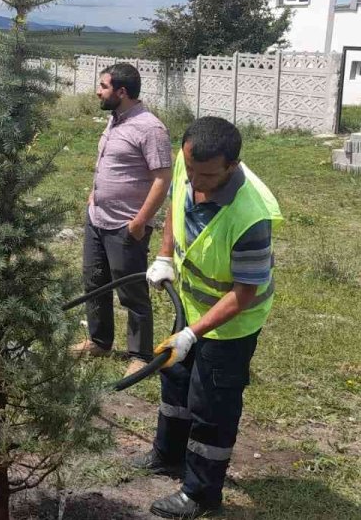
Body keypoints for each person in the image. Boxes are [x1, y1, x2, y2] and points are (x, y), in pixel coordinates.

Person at [137, 116, 282, 519]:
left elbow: (244, 294)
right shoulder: (191, 159)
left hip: (230, 325)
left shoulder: (252, 217)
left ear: (232, 166)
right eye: (192, 171)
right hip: (190, 307)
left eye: (208, 175)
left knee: (211, 405)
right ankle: (167, 456)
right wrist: (165, 255)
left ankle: (200, 494)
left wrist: (192, 335)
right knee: (176, 380)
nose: (197, 181)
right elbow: (174, 207)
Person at [72, 63, 172, 377]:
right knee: (94, 281)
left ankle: (140, 356)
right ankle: (100, 342)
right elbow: (107, 164)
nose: (98, 91)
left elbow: (162, 178)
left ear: (122, 91)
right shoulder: (114, 120)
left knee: (131, 291)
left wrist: (140, 222)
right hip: (97, 219)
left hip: (126, 226)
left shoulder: (150, 128)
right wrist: (93, 194)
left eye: (103, 86)